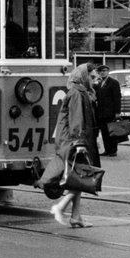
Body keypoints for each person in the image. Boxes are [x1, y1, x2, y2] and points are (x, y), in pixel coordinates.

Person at [48, 62, 101, 229]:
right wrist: (79, 142)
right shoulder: (77, 93)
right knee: (81, 177)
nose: (95, 80)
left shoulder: (81, 91)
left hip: (77, 139)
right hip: (74, 141)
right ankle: (60, 207)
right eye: (91, 77)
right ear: (83, 77)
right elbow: (76, 119)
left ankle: (76, 216)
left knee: (78, 177)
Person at [94, 64, 123, 157]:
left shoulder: (113, 83)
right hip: (101, 112)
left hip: (110, 112)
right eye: (101, 72)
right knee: (104, 132)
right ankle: (107, 149)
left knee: (112, 131)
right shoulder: (98, 83)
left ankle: (113, 150)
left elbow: (117, 98)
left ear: (108, 72)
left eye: (104, 71)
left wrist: (117, 112)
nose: (102, 73)